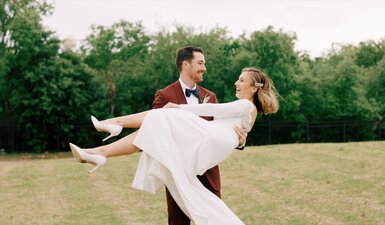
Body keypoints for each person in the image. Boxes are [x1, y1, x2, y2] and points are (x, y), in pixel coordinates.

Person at [69, 67, 279, 224]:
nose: (236, 82)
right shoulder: (249, 111)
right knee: (155, 127)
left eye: (241, 80)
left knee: (162, 116)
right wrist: (241, 141)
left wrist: (178, 107)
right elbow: (237, 133)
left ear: (253, 88)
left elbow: (217, 110)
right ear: (186, 64)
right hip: (208, 145)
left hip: (206, 140)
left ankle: (114, 125)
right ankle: (99, 152)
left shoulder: (244, 104)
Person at [152, 46, 247, 225]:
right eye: (200, 63)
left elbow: (221, 133)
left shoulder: (210, 96)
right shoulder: (165, 95)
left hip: (208, 174)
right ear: (186, 64)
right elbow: (156, 132)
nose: (204, 68)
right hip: (180, 174)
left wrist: (239, 142)